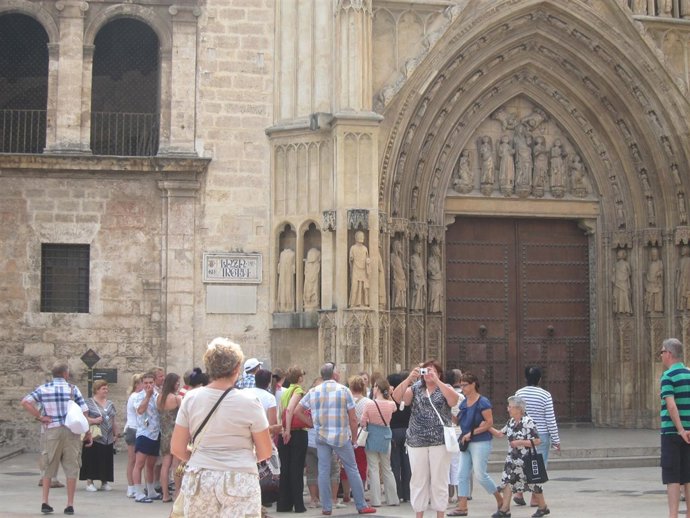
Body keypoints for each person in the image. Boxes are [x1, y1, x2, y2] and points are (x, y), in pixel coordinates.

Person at [171, 337, 272, 517]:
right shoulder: (250, 402)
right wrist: (241, 458)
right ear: (236, 368)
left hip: (201, 477)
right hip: (240, 477)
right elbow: (265, 451)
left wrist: (200, 457)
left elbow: (177, 448)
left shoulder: (191, 399)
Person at [295, 362, 377, 515]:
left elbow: (298, 410)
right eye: (337, 371)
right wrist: (354, 439)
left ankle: (326, 507)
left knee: (323, 470)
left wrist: (311, 423)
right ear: (334, 374)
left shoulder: (314, 391)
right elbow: (353, 419)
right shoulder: (343, 390)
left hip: (321, 435)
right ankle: (361, 504)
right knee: (352, 468)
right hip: (340, 436)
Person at [392, 360, 459, 518]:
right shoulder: (415, 388)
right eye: (425, 371)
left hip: (439, 440)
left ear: (439, 373)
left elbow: (454, 401)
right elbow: (396, 397)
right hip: (417, 440)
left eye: (432, 371)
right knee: (418, 479)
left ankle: (440, 514)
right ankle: (419, 514)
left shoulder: (445, 388)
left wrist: (437, 381)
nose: (428, 374)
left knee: (439, 479)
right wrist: (409, 378)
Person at [21, 362, 90, 515]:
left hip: (52, 430)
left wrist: (40, 416)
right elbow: (84, 410)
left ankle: (45, 501)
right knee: (71, 466)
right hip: (71, 431)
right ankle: (70, 504)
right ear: (65, 374)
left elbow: (25, 402)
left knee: (49, 465)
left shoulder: (44, 388)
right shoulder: (72, 389)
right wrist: (88, 432)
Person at [449, 372, 502, 517]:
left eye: (465, 385)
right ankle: (462, 507)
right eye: (461, 385)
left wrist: (471, 433)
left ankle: (500, 500)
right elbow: (459, 421)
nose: (462, 388)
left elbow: (489, 422)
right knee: (462, 474)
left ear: (473, 385)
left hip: (481, 441)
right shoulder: (464, 402)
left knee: (480, 474)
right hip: (466, 442)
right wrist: (446, 412)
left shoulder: (482, 402)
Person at [488, 396, 549, 518]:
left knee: (534, 483)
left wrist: (519, 442)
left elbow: (537, 441)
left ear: (518, 408)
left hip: (526, 459)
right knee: (507, 482)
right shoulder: (510, 422)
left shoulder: (528, 422)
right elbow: (500, 433)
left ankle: (543, 507)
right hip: (512, 460)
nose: (508, 409)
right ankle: (505, 509)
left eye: (510, 407)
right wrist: (487, 427)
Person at [513, 366, 560, 508]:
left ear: (526, 378)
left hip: (523, 433)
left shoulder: (519, 393)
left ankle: (519, 493)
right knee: (539, 466)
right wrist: (556, 440)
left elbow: (516, 414)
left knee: (521, 462)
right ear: (539, 379)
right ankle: (535, 498)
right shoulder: (545, 395)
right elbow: (550, 419)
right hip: (541, 434)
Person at [659, 338, 690, 518]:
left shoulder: (668, 376)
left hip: (672, 433)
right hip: (689, 433)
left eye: (662, 352)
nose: (661, 355)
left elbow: (671, 406)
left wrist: (680, 430)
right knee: (688, 476)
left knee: (673, 477)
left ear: (669, 354)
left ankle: (673, 515)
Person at [361, 378, 398, 507]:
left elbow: (363, 421)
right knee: (387, 468)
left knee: (373, 469)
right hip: (386, 437)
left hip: (371, 436)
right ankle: (393, 499)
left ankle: (376, 500)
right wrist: (390, 394)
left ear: (376, 388)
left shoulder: (369, 404)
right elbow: (395, 408)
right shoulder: (390, 405)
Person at [278, 366, 310, 513]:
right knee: (296, 469)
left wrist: (283, 430)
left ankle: (284, 504)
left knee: (285, 469)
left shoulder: (284, 393)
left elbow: (281, 413)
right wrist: (289, 431)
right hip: (296, 433)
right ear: (300, 378)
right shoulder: (297, 390)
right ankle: (298, 505)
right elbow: (291, 409)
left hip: (284, 432)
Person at [80, 380, 118, 492]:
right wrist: (94, 420)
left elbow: (113, 419)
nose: (106, 390)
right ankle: (89, 481)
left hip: (107, 436)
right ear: (96, 390)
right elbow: (83, 418)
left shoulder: (110, 404)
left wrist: (116, 433)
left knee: (106, 458)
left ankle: (104, 481)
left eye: (106, 388)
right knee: (92, 458)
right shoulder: (88, 403)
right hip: (94, 435)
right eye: (103, 388)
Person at [131, 372, 161, 503]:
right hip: (144, 433)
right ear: (142, 383)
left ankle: (151, 490)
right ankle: (137, 492)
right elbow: (140, 410)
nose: (149, 385)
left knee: (151, 464)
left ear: (154, 382)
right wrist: (148, 396)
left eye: (151, 382)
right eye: (146, 383)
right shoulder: (138, 396)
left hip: (156, 433)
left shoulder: (158, 395)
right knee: (139, 464)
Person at [342, 375, 371, 501]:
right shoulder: (368, 402)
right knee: (361, 464)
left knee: (345, 465)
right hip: (361, 436)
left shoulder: (345, 400)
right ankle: (360, 493)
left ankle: (346, 494)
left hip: (346, 433)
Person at [157, 373, 182, 503]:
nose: (179, 385)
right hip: (176, 434)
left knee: (165, 465)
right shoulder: (177, 399)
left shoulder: (159, 398)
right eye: (177, 382)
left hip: (164, 434)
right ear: (173, 383)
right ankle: (177, 492)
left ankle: (165, 494)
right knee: (176, 465)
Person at [388, 372, 411, 503]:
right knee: (407, 463)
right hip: (407, 431)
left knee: (395, 463)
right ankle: (408, 493)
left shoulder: (390, 397)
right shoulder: (408, 395)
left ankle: (397, 493)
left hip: (394, 431)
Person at [124, 373, 144, 498]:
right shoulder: (135, 396)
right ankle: (131, 486)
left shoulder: (136, 396)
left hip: (134, 429)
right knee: (133, 461)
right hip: (133, 429)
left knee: (135, 461)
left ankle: (133, 486)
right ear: (137, 384)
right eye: (143, 383)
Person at [349, 230, 371, 307]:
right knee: (355, 285)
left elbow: (367, 258)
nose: (362, 238)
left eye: (362, 236)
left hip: (363, 269)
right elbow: (351, 258)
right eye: (360, 236)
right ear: (356, 237)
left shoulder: (365, 248)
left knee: (363, 286)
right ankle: (353, 303)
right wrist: (351, 259)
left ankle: (362, 303)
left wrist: (368, 261)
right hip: (356, 269)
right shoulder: (353, 248)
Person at [613, 248, 633, 314]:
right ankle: (621, 310)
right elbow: (629, 273)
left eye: (619, 253)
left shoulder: (624, 264)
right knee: (621, 295)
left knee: (623, 295)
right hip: (620, 283)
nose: (618, 254)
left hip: (622, 283)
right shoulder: (617, 264)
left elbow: (630, 273)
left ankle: (623, 310)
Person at [277, 246, 296, 312]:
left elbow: (294, 267)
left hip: (288, 274)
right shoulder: (282, 254)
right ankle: (283, 305)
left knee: (288, 288)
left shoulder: (292, 254)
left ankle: (289, 305)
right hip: (283, 274)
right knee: (284, 288)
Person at [409, 241, 426, 311]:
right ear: (415, 248)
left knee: (419, 294)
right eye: (418, 247)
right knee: (416, 293)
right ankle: (414, 308)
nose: (420, 249)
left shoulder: (419, 258)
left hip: (421, 278)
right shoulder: (413, 257)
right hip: (416, 277)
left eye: (420, 248)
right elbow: (412, 267)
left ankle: (418, 307)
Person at [391, 239, 407, 309]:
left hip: (401, 276)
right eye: (399, 247)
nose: (400, 248)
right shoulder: (392, 255)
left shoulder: (399, 257)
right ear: (395, 247)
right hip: (396, 276)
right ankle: (396, 305)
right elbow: (391, 265)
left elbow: (404, 266)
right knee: (397, 291)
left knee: (402, 292)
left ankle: (401, 306)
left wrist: (403, 255)